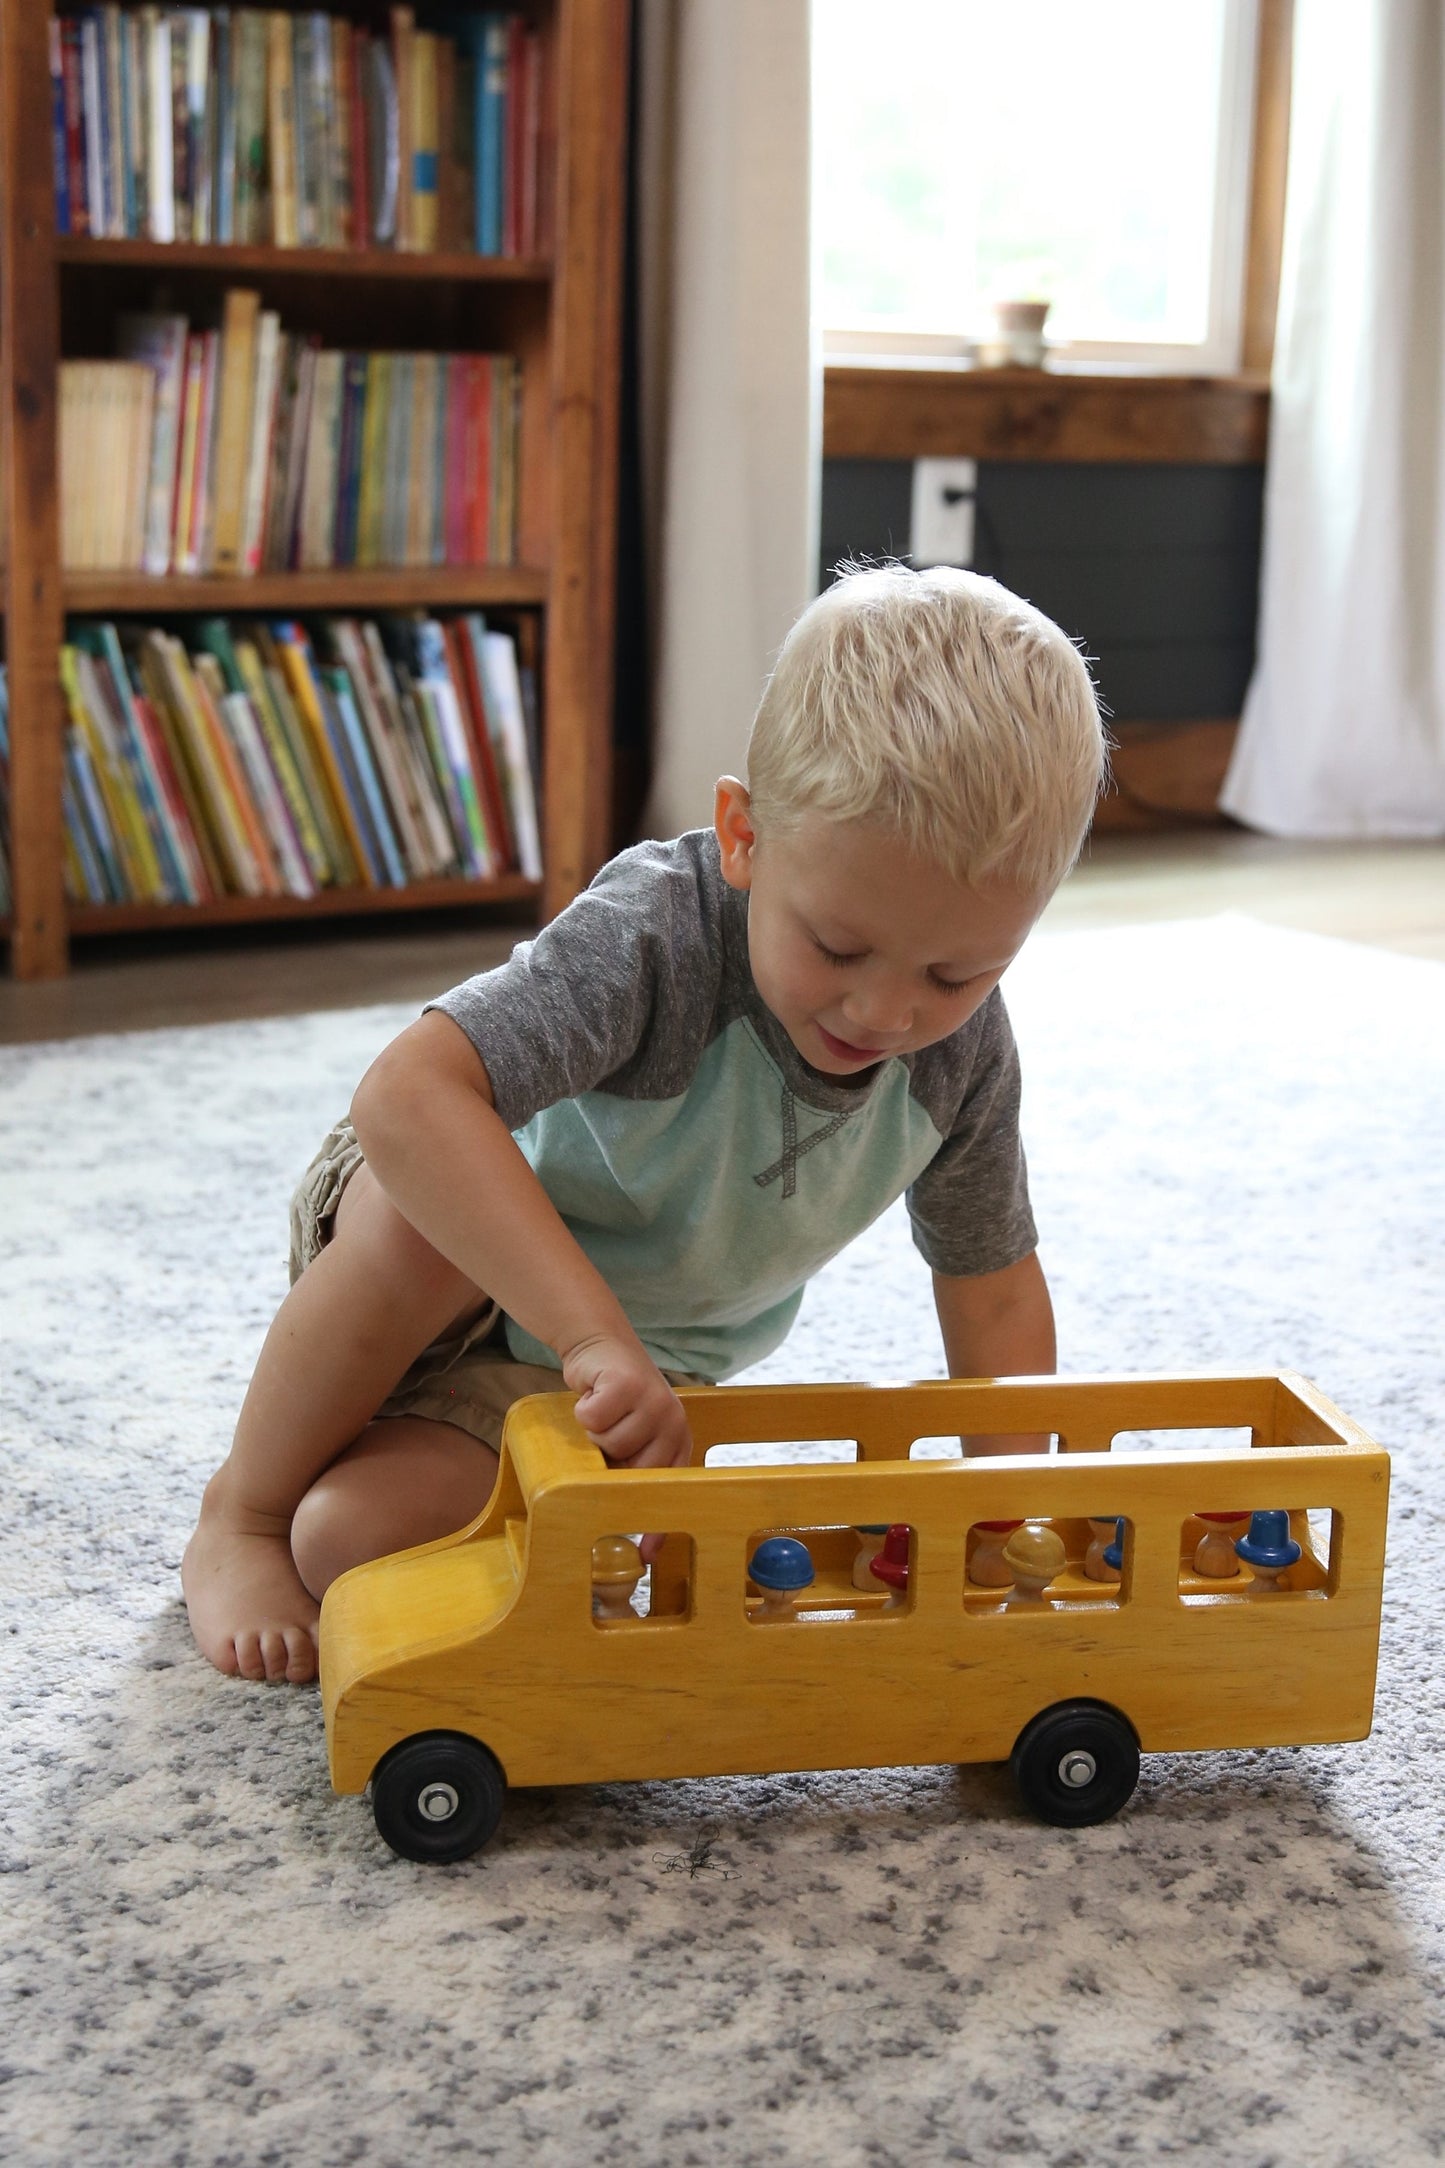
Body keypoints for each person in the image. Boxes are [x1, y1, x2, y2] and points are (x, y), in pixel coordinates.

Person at [182, 563, 1107, 1682]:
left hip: (625, 1381)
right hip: (448, 1272)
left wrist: (1011, 1511)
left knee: (345, 1540)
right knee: (414, 1240)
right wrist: (587, 1334)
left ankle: (331, 1486)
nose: (885, 1010)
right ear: (743, 835)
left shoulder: (960, 1058)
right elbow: (405, 1098)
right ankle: (241, 1508)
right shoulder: (656, 934)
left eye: (956, 972)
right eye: (836, 947)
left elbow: (994, 1287)